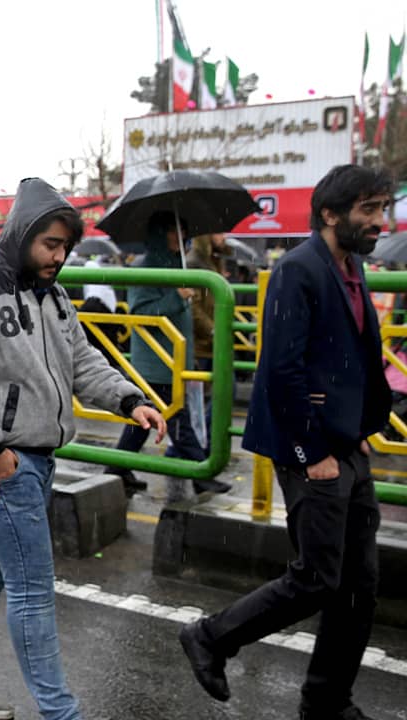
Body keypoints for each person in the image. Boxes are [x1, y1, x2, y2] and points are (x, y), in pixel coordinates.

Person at [0, 178, 168, 720]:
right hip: (0, 461)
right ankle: (62, 712)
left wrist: (128, 399)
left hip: (33, 458)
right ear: (21, 236)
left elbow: (81, 362)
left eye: (65, 247)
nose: (58, 257)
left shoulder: (54, 296)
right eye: (49, 245)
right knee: (33, 590)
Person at [179, 165, 394, 720]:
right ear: (331, 213)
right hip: (310, 447)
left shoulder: (351, 268)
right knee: (318, 577)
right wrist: (313, 453)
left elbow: (352, 358)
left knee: (358, 586)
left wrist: (361, 431)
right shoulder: (298, 270)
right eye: (368, 210)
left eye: (381, 209)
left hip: (347, 444)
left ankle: (326, 699)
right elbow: (282, 370)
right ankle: (211, 637)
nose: (379, 222)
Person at [108, 213, 231, 496]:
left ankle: (116, 469)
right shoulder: (144, 266)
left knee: (141, 425)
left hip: (177, 360)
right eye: (172, 231)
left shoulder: (180, 265)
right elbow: (141, 313)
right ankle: (202, 472)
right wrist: (177, 297)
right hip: (156, 362)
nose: (179, 235)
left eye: (183, 230)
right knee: (180, 421)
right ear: (158, 234)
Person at [187, 233, 231, 449]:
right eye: (218, 233)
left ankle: (197, 446)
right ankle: (199, 447)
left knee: (207, 401)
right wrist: (213, 330)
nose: (223, 237)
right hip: (203, 344)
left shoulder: (212, 260)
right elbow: (194, 307)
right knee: (202, 402)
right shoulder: (195, 263)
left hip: (212, 343)